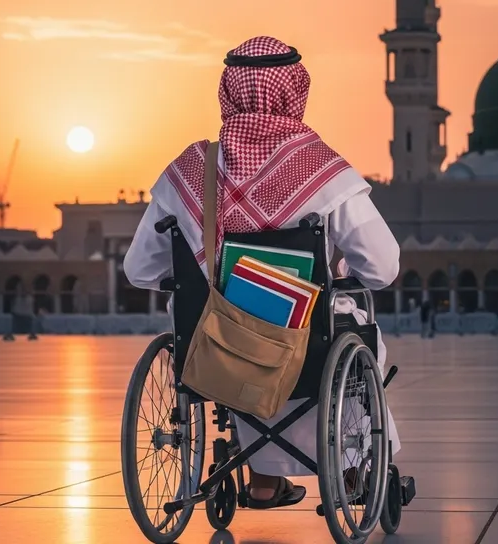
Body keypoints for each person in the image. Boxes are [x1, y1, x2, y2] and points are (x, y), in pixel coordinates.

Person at [123, 35, 401, 510]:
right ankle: (353, 470)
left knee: (237, 331)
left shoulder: (189, 172)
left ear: (227, 90)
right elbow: (382, 268)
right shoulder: (324, 174)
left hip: (212, 347)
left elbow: (138, 270)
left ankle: (264, 480)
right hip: (310, 343)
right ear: (296, 90)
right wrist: (338, 272)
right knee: (347, 335)